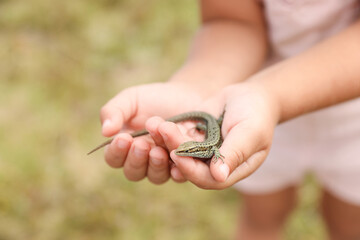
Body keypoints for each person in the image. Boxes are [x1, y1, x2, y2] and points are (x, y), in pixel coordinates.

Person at [98, 1, 360, 239]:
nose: (184, 149)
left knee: (349, 222)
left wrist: (270, 96)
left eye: (187, 149)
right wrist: (199, 86)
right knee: (262, 213)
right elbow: (232, 21)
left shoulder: (209, 149)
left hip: (350, 119)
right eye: (187, 148)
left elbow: (215, 150)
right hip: (251, 116)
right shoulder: (206, 141)